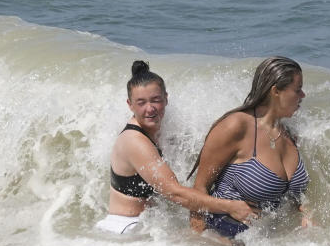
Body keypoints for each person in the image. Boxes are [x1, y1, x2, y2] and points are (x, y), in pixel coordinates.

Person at [95, 61, 263, 235]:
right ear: (130, 104)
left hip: (144, 226)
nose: (150, 108)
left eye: (156, 100)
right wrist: (231, 207)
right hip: (124, 229)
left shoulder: (162, 128)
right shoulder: (134, 141)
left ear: (166, 98)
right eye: (141, 103)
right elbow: (175, 193)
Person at [188, 56, 312, 241]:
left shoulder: (289, 134)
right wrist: (198, 245)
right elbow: (199, 191)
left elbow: (294, 195)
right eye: (298, 89)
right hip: (221, 240)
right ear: (275, 91)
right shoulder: (236, 126)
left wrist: (307, 214)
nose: (303, 95)